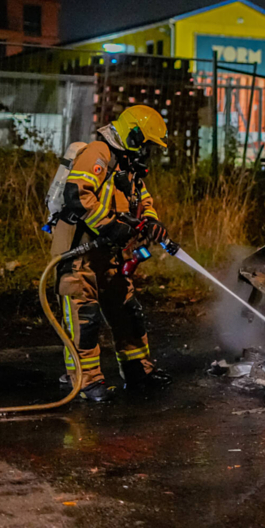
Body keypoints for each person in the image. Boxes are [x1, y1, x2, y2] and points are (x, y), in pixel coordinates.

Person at [50, 105, 173, 402]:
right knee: (85, 319)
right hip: (78, 255)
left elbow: (142, 199)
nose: (146, 151)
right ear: (133, 135)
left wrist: (152, 221)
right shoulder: (98, 152)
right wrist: (108, 225)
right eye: (145, 143)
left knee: (128, 311)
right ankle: (85, 382)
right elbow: (77, 194)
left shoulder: (126, 165)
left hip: (109, 255)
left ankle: (138, 371)